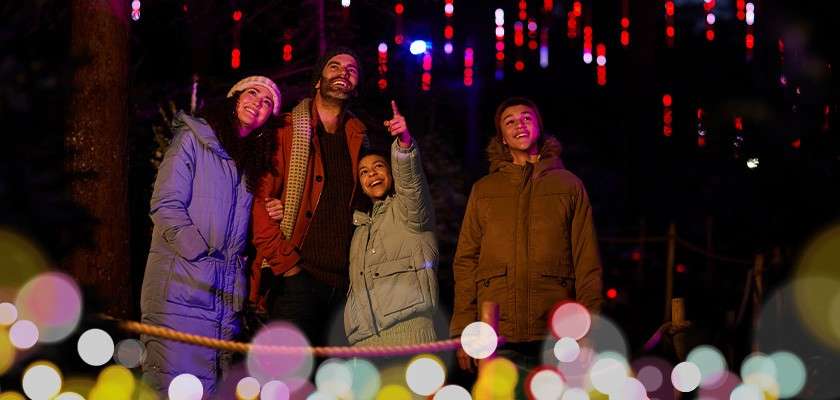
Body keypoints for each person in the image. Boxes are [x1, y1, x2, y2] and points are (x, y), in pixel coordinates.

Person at [140, 76, 282, 394]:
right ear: (234, 98)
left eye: (268, 102)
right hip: (179, 290)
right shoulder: (194, 139)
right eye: (253, 92)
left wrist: (271, 208)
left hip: (222, 300)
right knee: (171, 385)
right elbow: (165, 204)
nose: (259, 102)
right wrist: (199, 256)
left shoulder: (245, 163)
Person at [450, 97, 603, 376]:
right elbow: (466, 262)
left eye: (526, 118)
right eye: (510, 121)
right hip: (497, 331)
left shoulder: (568, 185)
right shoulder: (484, 189)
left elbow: (587, 260)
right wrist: (464, 330)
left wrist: (588, 327)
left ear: (538, 128)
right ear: (503, 138)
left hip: (556, 329)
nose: (519, 125)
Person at [250, 47, 368, 347]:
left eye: (351, 69)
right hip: (296, 280)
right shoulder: (286, 130)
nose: (343, 72)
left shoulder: (359, 137)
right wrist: (288, 267)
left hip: (344, 287)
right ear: (318, 80)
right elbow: (260, 202)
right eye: (334, 66)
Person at [344, 101, 439, 347]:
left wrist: (404, 145)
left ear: (391, 171)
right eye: (363, 172)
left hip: (409, 336)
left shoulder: (409, 210)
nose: (372, 174)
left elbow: (411, 182)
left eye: (378, 166)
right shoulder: (359, 228)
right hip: (365, 343)